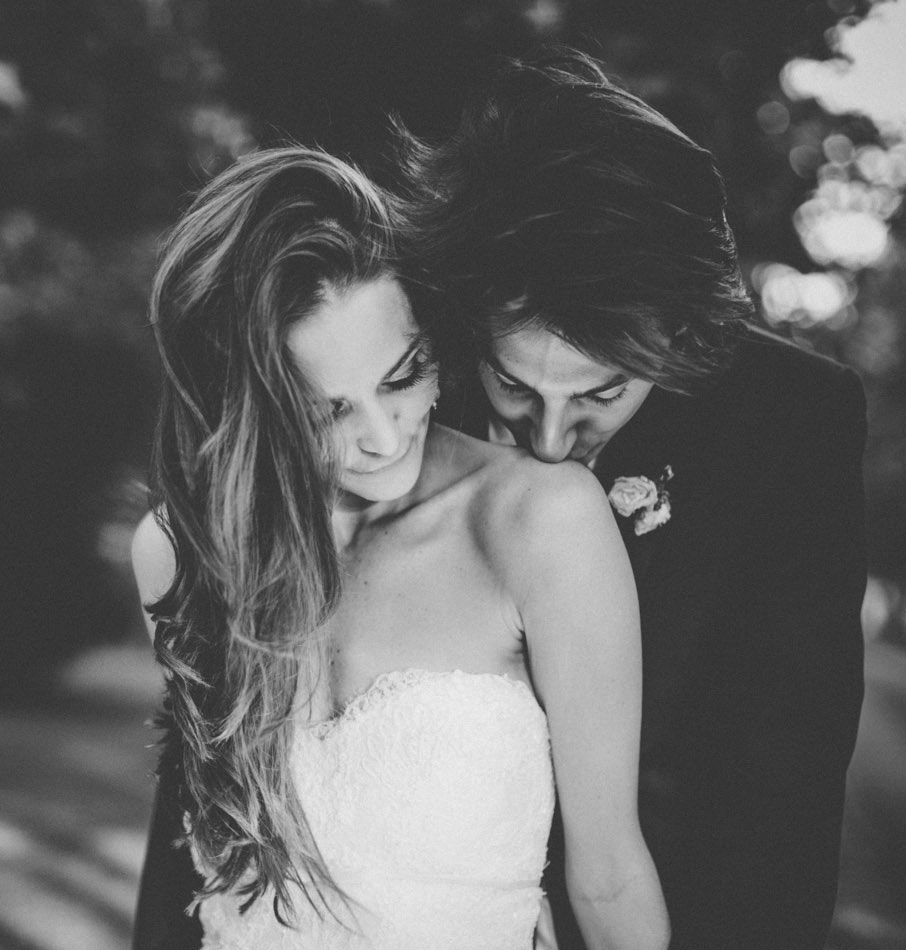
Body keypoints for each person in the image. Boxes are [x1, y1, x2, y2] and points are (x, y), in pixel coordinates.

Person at [130, 145, 668, 949]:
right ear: (244, 409)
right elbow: (208, 858)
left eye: (403, 374)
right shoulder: (179, 551)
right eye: (324, 413)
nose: (382, 439)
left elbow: (609, 873)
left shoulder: (538, 521)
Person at [403, 49, 867, 950]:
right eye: (513, 384)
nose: (545, 441)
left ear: (682, 333)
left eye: (600, 395)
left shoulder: (788, 425)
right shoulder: (394, 393)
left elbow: (776, 805)